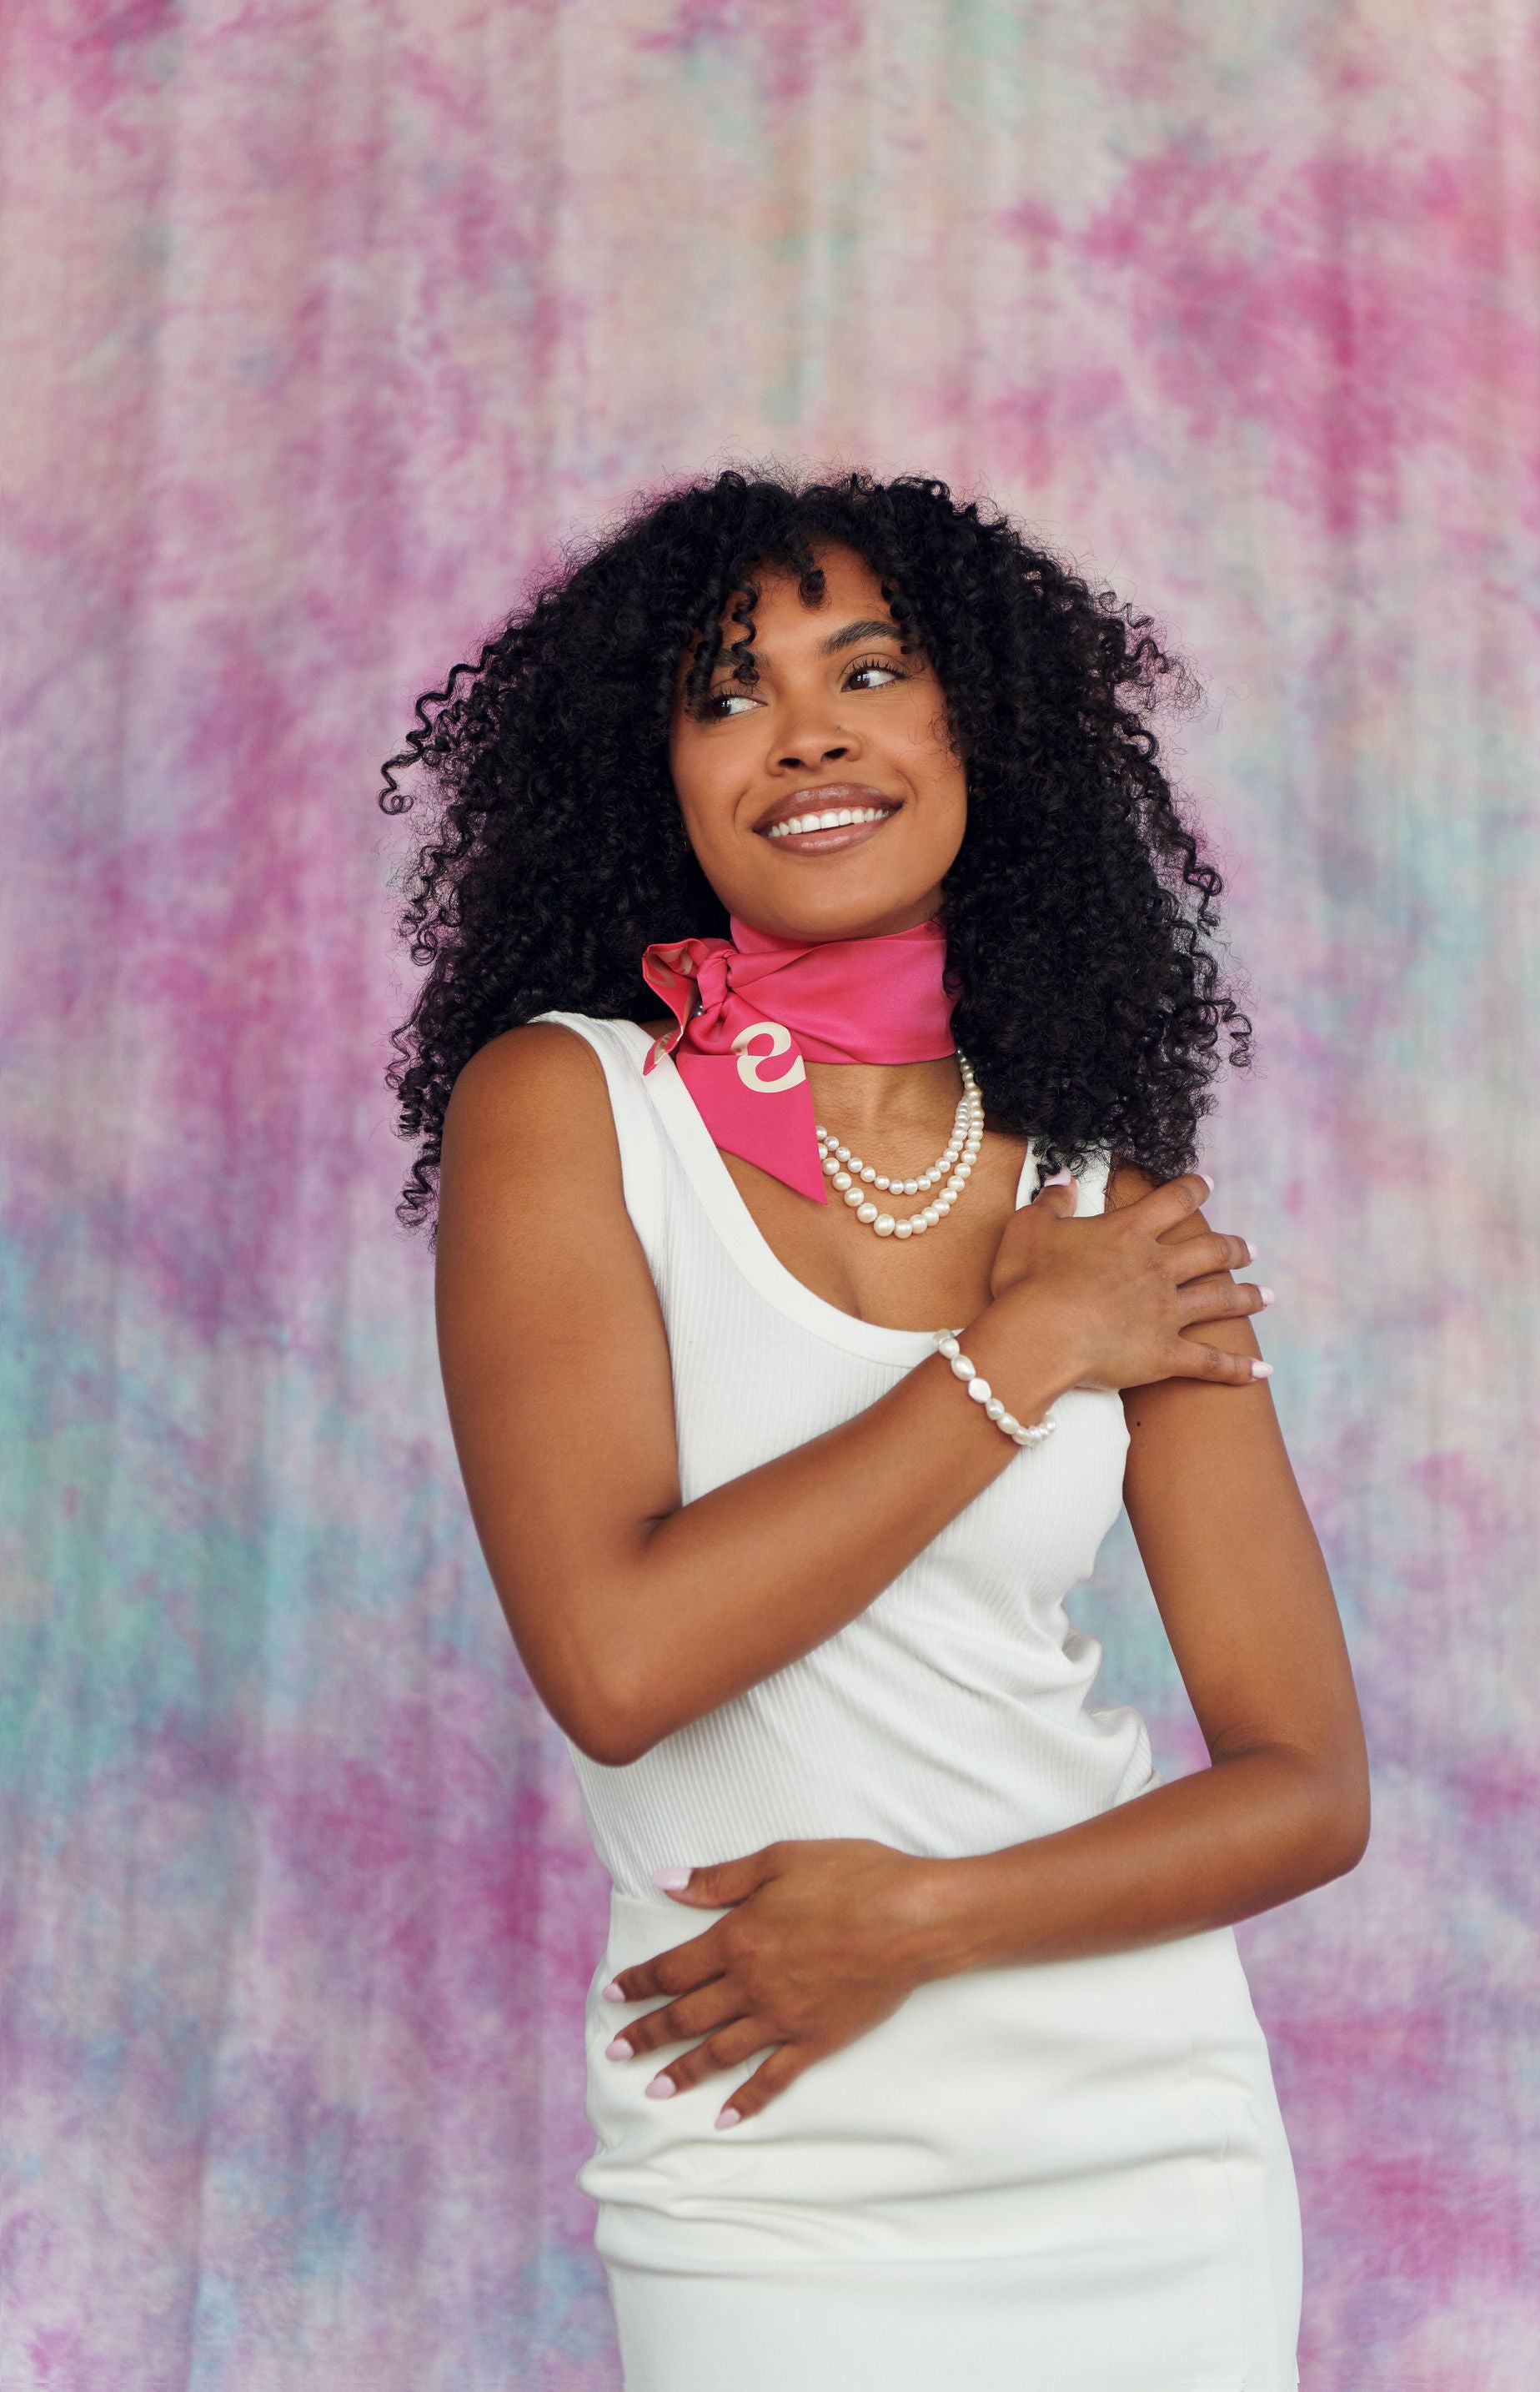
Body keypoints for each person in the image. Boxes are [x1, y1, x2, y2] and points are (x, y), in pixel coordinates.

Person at [380, 470, 1368, 2390]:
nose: (808, 733)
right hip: (770, 2158)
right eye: (729, 692)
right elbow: (618, 1662)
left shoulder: (1101, 1194)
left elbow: (1306, 1787)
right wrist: (1019, 1355)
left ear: (977, 730)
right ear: (655, 774)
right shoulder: (568, 1110)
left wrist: (920, 1920)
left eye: (870, 671)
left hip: (1145, 2152)